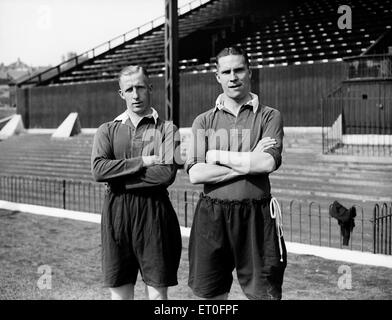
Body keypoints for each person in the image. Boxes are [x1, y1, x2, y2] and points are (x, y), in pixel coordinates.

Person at [185, 46, 287, 300]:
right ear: (217, 76)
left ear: (249, 72)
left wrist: (217, 156)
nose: (233, 77)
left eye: (239, 69)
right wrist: (248, 162)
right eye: (226, 71)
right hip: (212, 215)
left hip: (257, 215)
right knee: (210, 297)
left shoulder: (270, 116)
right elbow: (196, 173)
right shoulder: (203, 121)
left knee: (265, 295)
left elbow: (266, 164)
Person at [91, 65, 182, 300]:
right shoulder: (107, 130)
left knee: (157, 296)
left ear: (150, 88)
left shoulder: (167, 129)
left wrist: (118, 177)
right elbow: (99, 170)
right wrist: (142, 161)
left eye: (140, 87)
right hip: (117, 215)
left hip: (155, 214)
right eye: (129, 89)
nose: (135, 94)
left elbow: (165, 174)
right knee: (120, 295)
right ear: (121, 94)